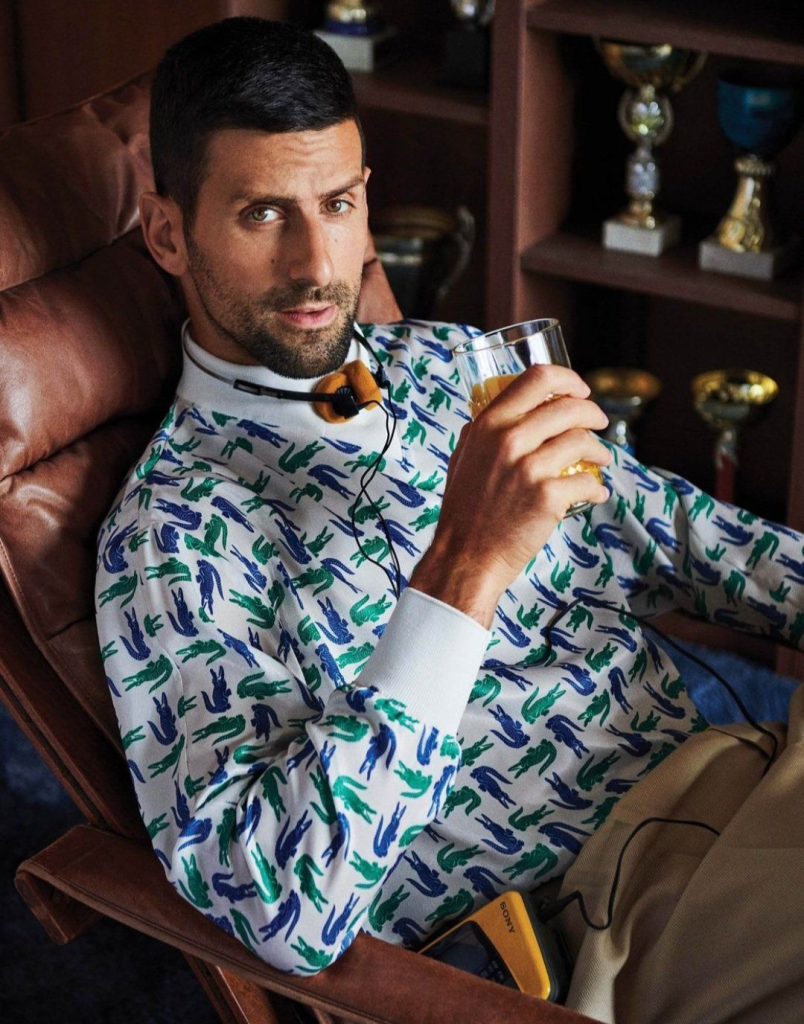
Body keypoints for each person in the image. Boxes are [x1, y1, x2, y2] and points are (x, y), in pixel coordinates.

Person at [94, 15, 804, 1016]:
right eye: (262, 214)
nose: (316, 263)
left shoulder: (450, 363)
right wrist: (467, 564)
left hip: (739, 776)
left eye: (337, 204)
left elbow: (675, 531)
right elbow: (283, 908)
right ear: (169, 233)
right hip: (608, 905)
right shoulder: (171, 538)